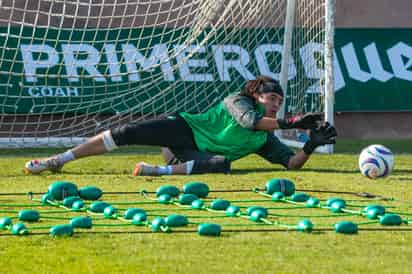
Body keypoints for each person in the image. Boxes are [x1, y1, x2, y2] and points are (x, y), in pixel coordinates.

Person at [24, 75, 337, 176]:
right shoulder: (238, 100)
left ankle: (156, 172)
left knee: (221, 164)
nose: (274, 104)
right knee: (126, 132)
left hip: (188, 159)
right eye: (271, 98)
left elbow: (292, 164)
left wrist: (311, 143)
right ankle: (58, 160)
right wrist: (291, 121)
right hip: (184, 131)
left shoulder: (266, 139)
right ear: (256, 94)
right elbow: (250, 121)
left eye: (279, 103)